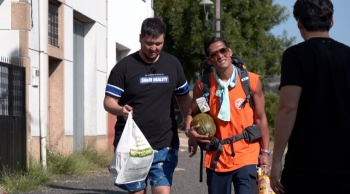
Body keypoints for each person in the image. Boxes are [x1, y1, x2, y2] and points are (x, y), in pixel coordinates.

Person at [104, 17, 192, 194]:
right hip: (132, 144)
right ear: (140, 38)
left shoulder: (172, 64)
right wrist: (120, 109)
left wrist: (190, 127)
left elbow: (183, 98)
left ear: (164, 39)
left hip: (164, 142)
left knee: (162, 190)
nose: (154, 48)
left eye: (158, 43)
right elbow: (108, 101)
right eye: (149, 43)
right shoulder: (124, 67)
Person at [270, 0, 350, 193]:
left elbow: (288, 107)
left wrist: (277, 159)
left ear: (299, 23)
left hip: (305, 164)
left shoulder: (295, 55)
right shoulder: (347, 54)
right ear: (331, 22)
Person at [185, 37, 271, 194]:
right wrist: (190, 133)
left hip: (247, 154)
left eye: (223, 50)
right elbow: (194, 114)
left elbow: (260, 118)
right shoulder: (204, 87)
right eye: (214, 54)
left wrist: (265, 152)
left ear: (230, 52)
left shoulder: (250, 81)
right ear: (209, 60)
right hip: (217, 157)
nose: (220, 55)